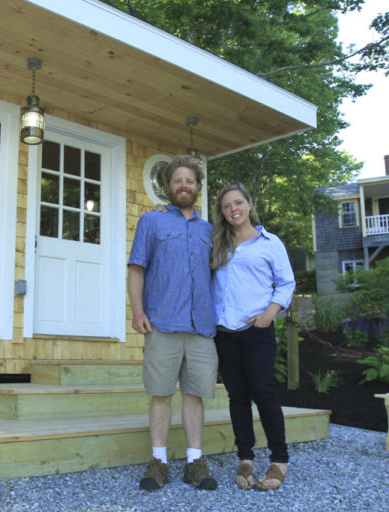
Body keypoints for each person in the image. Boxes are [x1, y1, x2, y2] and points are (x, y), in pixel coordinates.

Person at [127, 155, 218, 491]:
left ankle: (195, 461)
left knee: (195, 395)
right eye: (177, 180)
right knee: (161, 393)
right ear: (167, 186)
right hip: (162, 323)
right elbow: (136, 267)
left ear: (197, 187)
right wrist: (138, 312)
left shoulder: (210, 230)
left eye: (189, 181)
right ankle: (159, 461)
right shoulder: (152, 222)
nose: (183, 186)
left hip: (201, 328)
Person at [210, 182, 295, 491]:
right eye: (226, 205)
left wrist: (268, 315)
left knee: (264, 392)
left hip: (257, 331)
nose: (233, 209)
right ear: (221, 212)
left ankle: (280, 459)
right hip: (225, 333)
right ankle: (245, 457)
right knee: (237, 396)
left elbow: (285, 283)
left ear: (248, 204)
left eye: (238, 202)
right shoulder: (217, 242)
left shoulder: (269, 242)